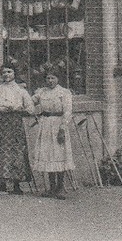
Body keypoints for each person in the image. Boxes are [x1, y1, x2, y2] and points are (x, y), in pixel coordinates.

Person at [0, 64, 34, 195]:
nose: (6, 75)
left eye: (9, 72)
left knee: (16, 152)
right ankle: (2, 183)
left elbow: (31, 109)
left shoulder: (21, 90)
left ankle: (16, 184)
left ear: (14, 73)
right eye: (3, 72)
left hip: (15, 124)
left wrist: (18, 110)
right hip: (1, 122)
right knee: (0, 152)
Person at [31, 68, 75, 198]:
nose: (50, 81)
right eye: (48, 78)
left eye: (53, 78)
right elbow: (29, 103)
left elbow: (67, 111)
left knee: (59, 154)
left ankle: (60, 187)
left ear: (58, 79)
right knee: (48, 155)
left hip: (58, 124)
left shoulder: (64, 93)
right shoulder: (41, 92)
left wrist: (62, 127)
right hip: (45, 125)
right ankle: (51, 187)